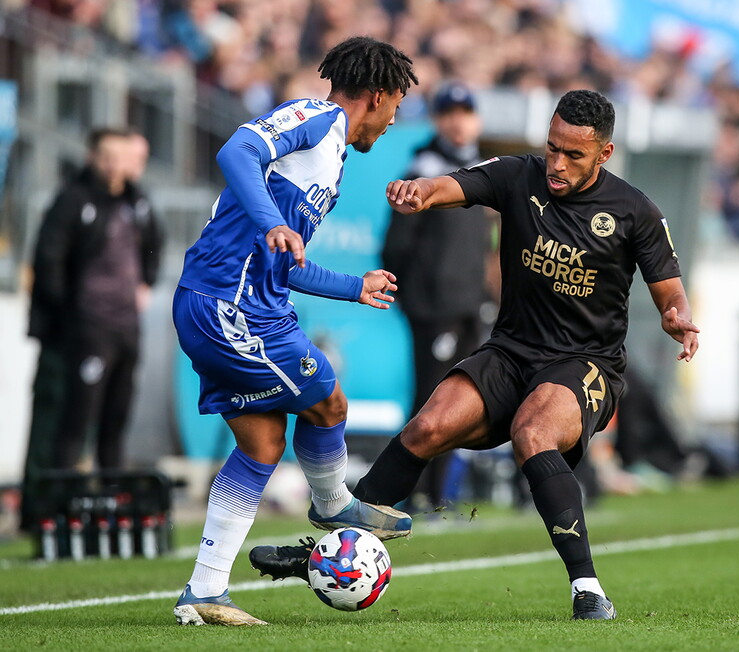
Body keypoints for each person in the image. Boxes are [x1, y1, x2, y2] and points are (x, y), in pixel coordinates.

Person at [251, 90, 700, 620]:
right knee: (426, 428)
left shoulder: (635, 211)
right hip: (510, 352)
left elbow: (668, 287)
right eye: (552, 147)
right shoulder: (519, 175)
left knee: (533, 434)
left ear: (603, 154)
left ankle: (588, 588)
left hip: (585, 363)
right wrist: (422, 191)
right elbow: (454, 184)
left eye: (573, 155)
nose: (557, 163)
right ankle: (330, 553)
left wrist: (676, 314)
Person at [170, 36, 419, 627]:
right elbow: (236, 149)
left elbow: (286, 258)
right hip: (228, 306)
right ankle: (334, 506)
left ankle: (204, 592)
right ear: (378, 96)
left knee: (260, 447)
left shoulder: (329, 155)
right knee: (328, 399)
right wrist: (272, 220)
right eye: (395, 107)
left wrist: (353, 286)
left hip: (246, 305)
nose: (392, 121)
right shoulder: (317, 117)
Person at [20, 128, 162, 530]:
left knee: (115, 419)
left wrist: (145, 284)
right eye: (109, 156)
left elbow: (155, 244)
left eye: (125, 156)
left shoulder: (137, 201)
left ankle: (110, 509)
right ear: (92, 157)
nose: (118, 165)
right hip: (78, 331)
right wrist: (71, 316)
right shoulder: (73, 200)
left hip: (124, 327)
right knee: (68, 422)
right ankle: (49, 512)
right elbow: (48, 260)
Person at [381, 81, 491, 510]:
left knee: (460, 404)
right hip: (433, 307)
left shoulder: (480, 172)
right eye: (450, 114)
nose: (459, 123)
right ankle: (409, 491)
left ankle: (439, 493)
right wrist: (412, 298)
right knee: (430, 397)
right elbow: (397, 244)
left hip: (468, 304)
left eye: (466, 113)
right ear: (437, 120)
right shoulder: (422, 169)